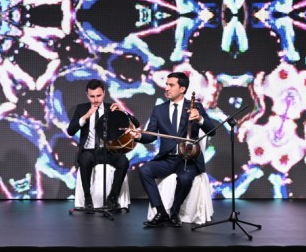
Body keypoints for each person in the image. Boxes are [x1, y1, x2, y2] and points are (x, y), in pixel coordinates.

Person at [126, 71, 216, 227]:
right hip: (167, 159)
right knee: (145, 171)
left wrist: (200, 118)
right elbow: (151, 136)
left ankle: (174, 212)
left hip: (188, 160)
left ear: (182, 89)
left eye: (171, 85)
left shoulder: (195, 107)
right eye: (166, 84)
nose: (166, 88)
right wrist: (138, 136)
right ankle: (161, 212)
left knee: (185, 179)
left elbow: (212, 131)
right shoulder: (159, 109)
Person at [67, 78, 140, 211]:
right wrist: (86, 116)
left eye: (99, 96)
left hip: (108, 150)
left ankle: (112, 197)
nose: (96, 100)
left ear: (104, 93)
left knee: (123, 161)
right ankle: (88, 199)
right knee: (85, 159)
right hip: (89, 150)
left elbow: (137, 124)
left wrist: (123, 111)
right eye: (92, 96)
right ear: (87, 95)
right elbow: (70, 131)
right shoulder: (81, 108)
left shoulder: (110, 108)